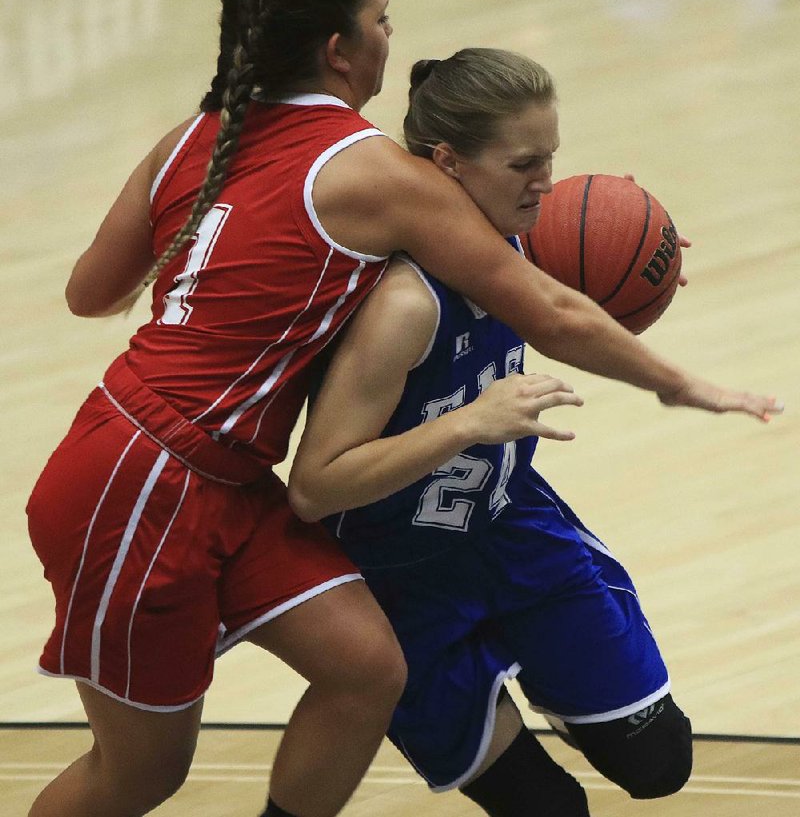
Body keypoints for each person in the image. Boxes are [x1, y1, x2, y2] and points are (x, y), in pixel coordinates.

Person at [25, 0, 778, 817]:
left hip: (221, 473)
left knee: (367, 668)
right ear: (341, 49)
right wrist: (681, 382)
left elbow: (89, 292)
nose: (393, 35)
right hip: (144, 476)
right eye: (383, 18)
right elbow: (544, 307)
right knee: (144, 772)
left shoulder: (196, 139)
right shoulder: (368, 166)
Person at [286, 49, 782, 816]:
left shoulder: (523, 235)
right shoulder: (405, 305)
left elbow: (565, 307)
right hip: (398, 578)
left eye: (551, 157)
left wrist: (627, 269)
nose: (547, 184)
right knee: (551, 811)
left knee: (659, 763)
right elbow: (315, 488)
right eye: (525, 165)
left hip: (510, 525)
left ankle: (559, 686)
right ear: (448, 164)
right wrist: (467, 423)